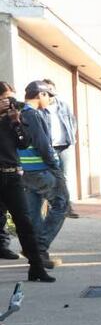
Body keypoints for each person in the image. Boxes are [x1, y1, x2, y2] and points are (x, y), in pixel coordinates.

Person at [0, 81, 52, 282]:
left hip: (12, 176)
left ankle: (36, 268)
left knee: (24, 221)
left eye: (12, 98)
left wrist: (16, 122)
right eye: (6, 98)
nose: (10, 102)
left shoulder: (12, 119)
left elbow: (24, 142)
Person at [19, 81, 68, 268]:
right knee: (62, 204)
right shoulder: (32, 115)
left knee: (34, 214)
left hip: (27, 173)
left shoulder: (19, 113)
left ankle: (38, 257)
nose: (50, 100)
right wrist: (55, 168)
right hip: (41, 171)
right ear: (41, 95)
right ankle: (38, 247)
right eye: (49, 96)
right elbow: (43, 145)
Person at [41, 79, 78, 218]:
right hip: (49, 148)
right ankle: (50, 207)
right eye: (46, 90)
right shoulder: (41, 108)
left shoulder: (63, 106)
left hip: (65, 146)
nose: (49, 93)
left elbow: (73, 122)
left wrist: (70, 136)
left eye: (51, 89)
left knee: (65, 177)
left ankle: (67, 207)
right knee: (49, 177)